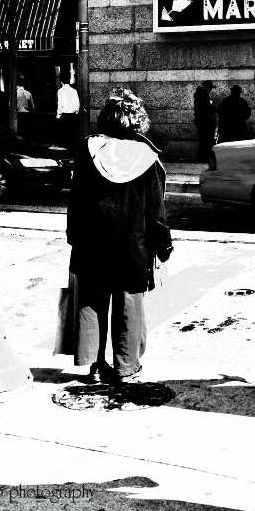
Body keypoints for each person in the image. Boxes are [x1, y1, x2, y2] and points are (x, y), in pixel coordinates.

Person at [65, 89, 173, 382]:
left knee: (92, 303)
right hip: (133, 247)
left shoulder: (89, 150)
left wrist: (74, 237)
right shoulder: (148, 158)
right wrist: (163, 248)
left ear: (106, 118)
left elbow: (75, 201)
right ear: (138, 121)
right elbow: (156, 212)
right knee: (129, 306)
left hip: (92, 243)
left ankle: (95, 366)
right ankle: (127, 367)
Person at [193, 80, 217, 161]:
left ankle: (202, 156)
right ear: (207, 87)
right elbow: (206, 108)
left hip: (202, 120)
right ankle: (202, 157)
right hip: (205, 121)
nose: (211, 90)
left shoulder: (199, 94)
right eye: (210, 88)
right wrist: (213, 107)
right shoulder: (203, 95)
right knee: (204, 140)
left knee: (204, 139)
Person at [56, 80, 80, 149]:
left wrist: (58, 115)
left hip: (65, 114)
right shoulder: (74, 91)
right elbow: (77, 102)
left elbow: (60, 104)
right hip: (73, 114)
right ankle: (73, 148)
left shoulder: (60, 91)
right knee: (73, 132)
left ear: (61, 82)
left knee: (64, 133)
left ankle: (65, 148)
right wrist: (76, 111)